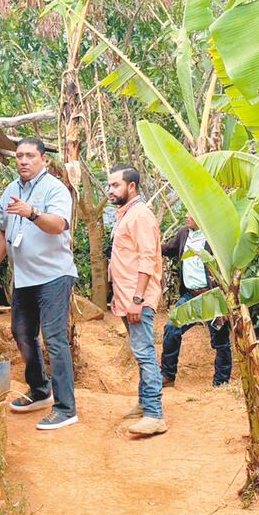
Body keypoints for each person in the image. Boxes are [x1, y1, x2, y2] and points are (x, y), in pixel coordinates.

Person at [0, 137, 79, 430]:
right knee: (22, 333)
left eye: (29, 156)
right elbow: (3, 231)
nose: (23, 161)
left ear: (43, 160)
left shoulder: (55, 188)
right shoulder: (10, 191)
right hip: (24, 278)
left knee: (54, 338)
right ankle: (40, 390)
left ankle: (66, 409)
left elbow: (59, 225)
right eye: (19, 156)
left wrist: (33, 212)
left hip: (54, 275)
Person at [105, 164, 166, 437]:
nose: (110, 190)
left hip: (137, 297)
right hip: (127, 297)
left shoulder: (140, 215)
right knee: (141, 351)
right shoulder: (125, 214)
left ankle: (155, 414)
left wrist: (137, 298)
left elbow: (147, 258)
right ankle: (144, 404)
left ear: (132, 186)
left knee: (144, 353)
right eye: (109, 186)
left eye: (115, 185)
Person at [160, 215, 232, 388]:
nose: (186, 216)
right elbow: (169, 249)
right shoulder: (184, 233)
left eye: (191, 213)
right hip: (190, 295)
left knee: (220, 340)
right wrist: (151, 242)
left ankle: (221, 382)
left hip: (213, 296)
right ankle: (168, 375)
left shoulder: (214, 236)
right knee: (172, 328)